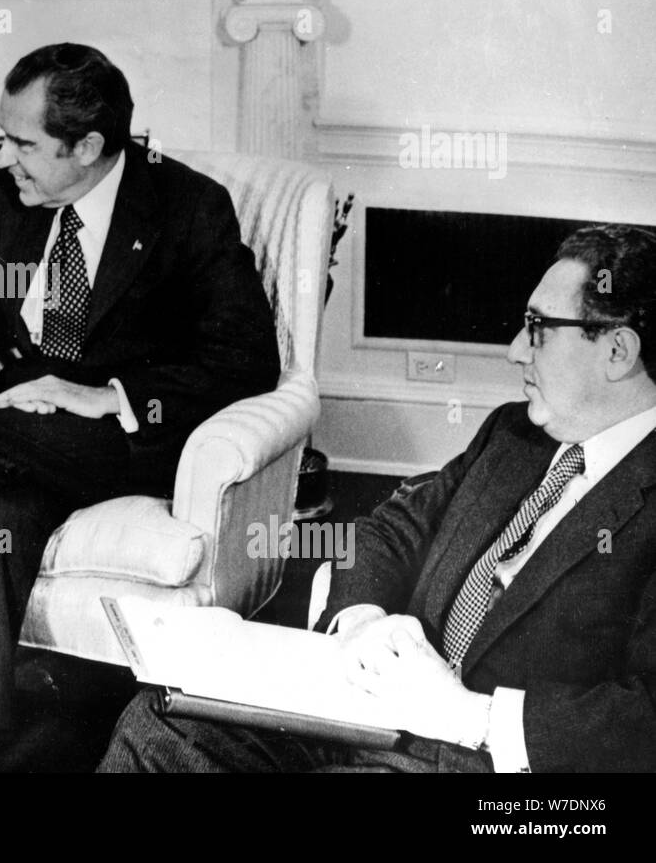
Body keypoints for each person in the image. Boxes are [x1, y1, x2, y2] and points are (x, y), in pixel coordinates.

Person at [99, 223, 656, 773]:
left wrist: (473, 716)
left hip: (487, 763)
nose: (514, 351)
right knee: (160, 726)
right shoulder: (514, 434)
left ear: (617, 350)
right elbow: (389, 530)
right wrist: (362, 621)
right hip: (373, 714)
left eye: (538, 329)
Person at [0, 43, 280, 754]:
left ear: (87, 146)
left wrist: (106, 396)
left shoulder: (187, 208)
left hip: (122, 439)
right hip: (14, 430)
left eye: (24, 144)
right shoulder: (7, 198)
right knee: (4, 517)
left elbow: (246, 360)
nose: (4, 158)